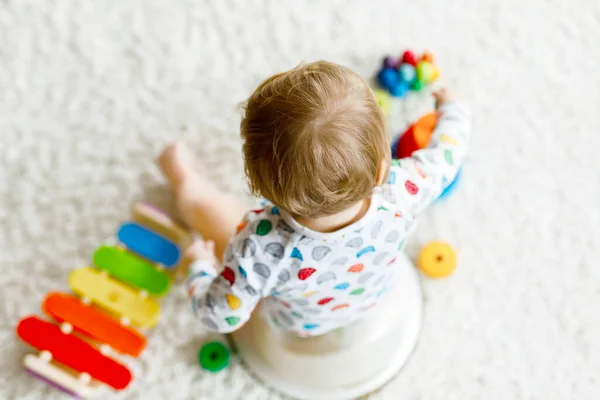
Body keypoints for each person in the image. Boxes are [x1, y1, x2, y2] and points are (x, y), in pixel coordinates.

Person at [159, 61, 471, 336]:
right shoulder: (403, 190)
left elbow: (219, 314)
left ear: (260, 187)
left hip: (298, 325)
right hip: (373, 295)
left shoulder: (260, 244)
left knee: (212, 212)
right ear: (380, 171)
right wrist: (453, 108)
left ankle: (185, 182)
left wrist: (200, 266)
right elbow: (447, 155)